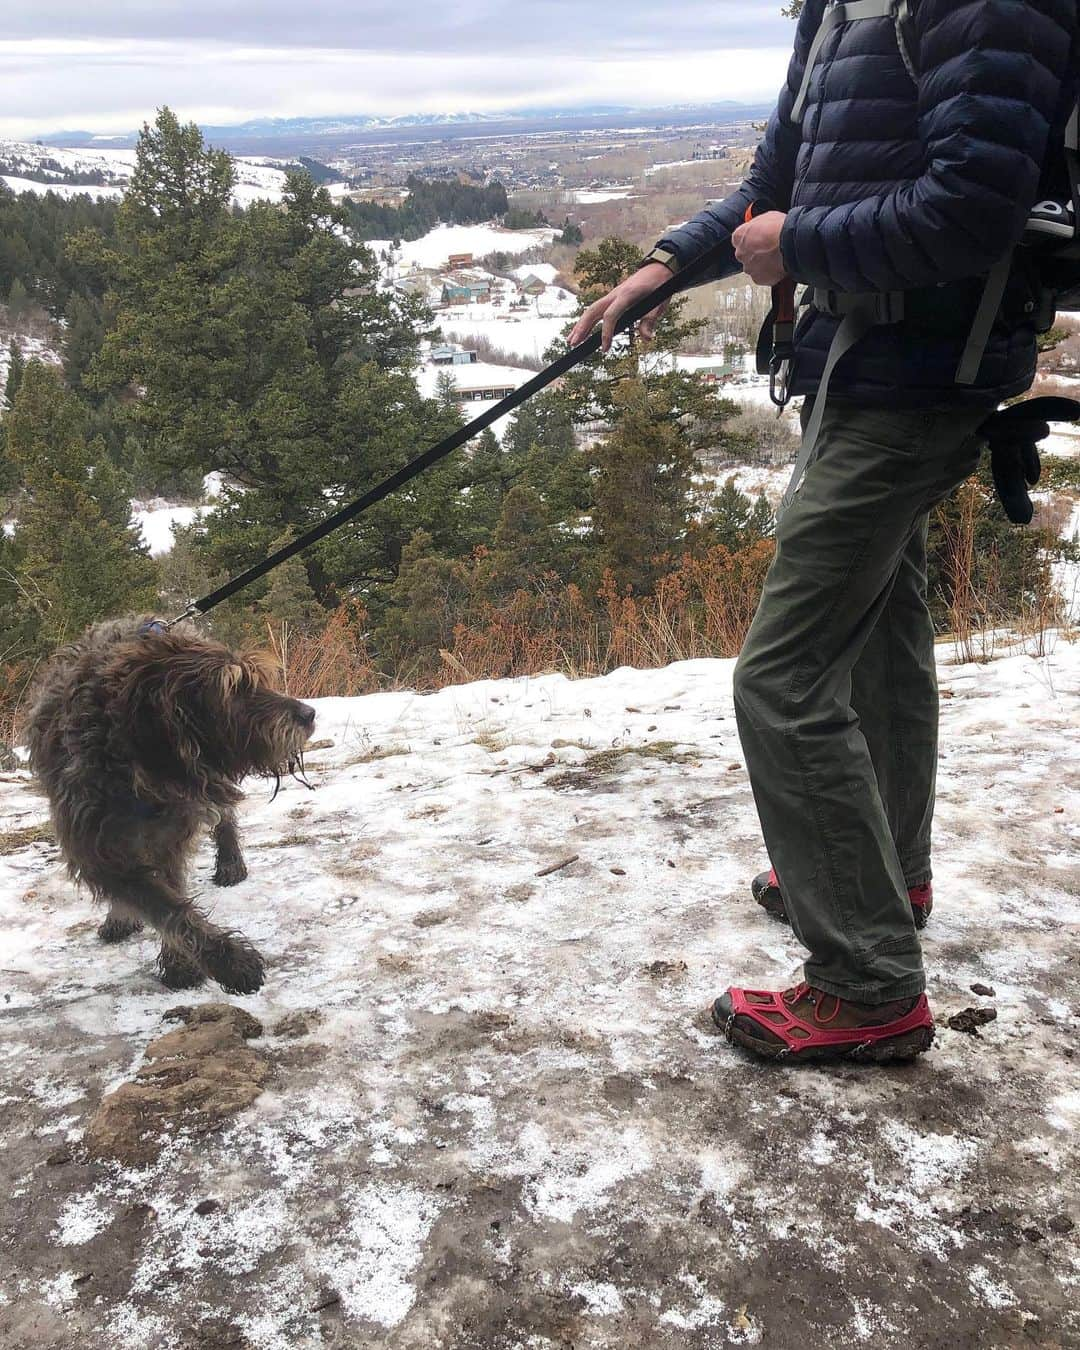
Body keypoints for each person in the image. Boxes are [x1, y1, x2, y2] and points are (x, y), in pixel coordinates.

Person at [569, 0, 1078, 1062]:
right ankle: (882, 875)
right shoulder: (847, 6)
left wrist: (795, 242)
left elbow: (974, 209)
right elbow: (779, 177)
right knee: (881, 626)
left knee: (782, 680)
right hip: (860, 363)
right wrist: (669, 263)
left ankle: (866, 985)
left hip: (919, 373)